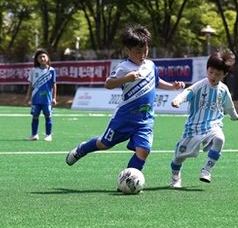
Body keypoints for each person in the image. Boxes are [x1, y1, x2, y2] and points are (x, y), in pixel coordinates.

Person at [65, 24, 185, 174]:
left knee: (144, 150)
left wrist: (172, 87)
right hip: (124, 117)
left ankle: (129, 178)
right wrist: (126, 78)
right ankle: (82, 149)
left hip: (145, 119)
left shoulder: (150, 65)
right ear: (127, 51)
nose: (142, 54)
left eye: (145, 50)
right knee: (104, 144)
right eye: (138, 51)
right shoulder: (124, 67)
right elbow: (108, 84)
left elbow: (157, 82)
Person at [168, 49, 238, 188]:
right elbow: (187, 93)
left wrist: (234, 116)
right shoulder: (200, 85)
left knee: (220, 139)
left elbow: (229, 106)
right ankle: (175, 177)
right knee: (179, 157)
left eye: (217, 74)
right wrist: (177, 100)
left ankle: (207, 170)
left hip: (213, 126)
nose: (213, 76)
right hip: (193, 127)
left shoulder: (223, 90)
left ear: (224, 74)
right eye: (210, 72)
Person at [24, 48, 56, 141]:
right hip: (35, 98)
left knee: (48, 115)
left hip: (47, 98)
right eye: (39, 57)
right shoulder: (34, 70)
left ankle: (48, 135)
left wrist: (54, 97)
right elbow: (30, 84)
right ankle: (34, 135)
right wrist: (27, 96)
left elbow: (54, 85)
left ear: (47, 58)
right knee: (35, 116)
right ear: (37, 60)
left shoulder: (51, 70)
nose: (42, 59)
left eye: (43, 56)